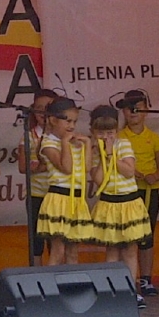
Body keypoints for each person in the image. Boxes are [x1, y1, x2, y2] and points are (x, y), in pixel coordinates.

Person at [89, 105, 151, 309]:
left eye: (110, 132)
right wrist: (102, 156)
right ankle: (112, 291)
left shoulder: (123, 144)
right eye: (101, 132)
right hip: (109, 203)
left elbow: (129, 171)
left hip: (129, 202)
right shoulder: (93, 151)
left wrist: (112, 155)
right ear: (93, 131)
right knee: (112, 250)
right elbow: (99, 180)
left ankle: (131, 290)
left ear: (116, 131)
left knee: (130, 250)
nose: (106, 137)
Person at [117, 90, 159, 296]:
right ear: (123, 112)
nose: (133, 112)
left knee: (147, 236)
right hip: (126, 192)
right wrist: (132, 173)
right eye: (129, 108)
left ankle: (146, 280)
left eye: (137, 108)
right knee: (126, 238)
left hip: (149, 192)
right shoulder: (119, 137)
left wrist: (155, 176)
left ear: (146, 110)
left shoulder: (154, 137)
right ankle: (125, 280)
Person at [36, 97, 93, 265]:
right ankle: (52, 281)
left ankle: (72, 281)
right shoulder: (48, 143)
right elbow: (66, 168)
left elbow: (87, 168)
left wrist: (87, 144)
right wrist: (65, 143)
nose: (72, 126)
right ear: (53, 120)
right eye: (68, 121)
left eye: (74, 121)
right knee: (58, 249)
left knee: (73, 251)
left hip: (76, 199)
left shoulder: (74, 143)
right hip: (59, 199)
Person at [17, 89, 57, 265]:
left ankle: (57, 276)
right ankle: (37, 275)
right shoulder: (28, 136)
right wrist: (43, 166)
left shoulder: (63, 136)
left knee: (57, 240)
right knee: (36, 240)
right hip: (36, 195)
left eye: (48, 108)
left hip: (58, 195)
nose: (43, 112)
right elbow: (23, 167)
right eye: (39, 108)